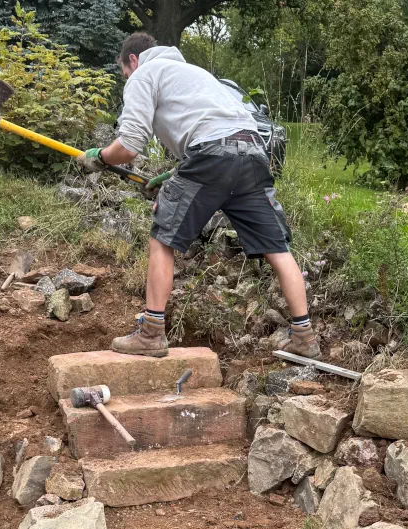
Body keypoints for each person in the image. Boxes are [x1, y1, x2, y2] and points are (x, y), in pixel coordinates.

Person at [76, 33, 317, 358]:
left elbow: (130, 145)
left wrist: (100, 157)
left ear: (132, 61)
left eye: (124, 73)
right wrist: (173, 175)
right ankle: (304, 336)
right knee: (278, 248)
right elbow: (218, 130)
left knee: (163, 237)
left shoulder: (143, 74)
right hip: (253, 153)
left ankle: (151, 333)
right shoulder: (196, 75)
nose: (127, 79)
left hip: (211, 155)